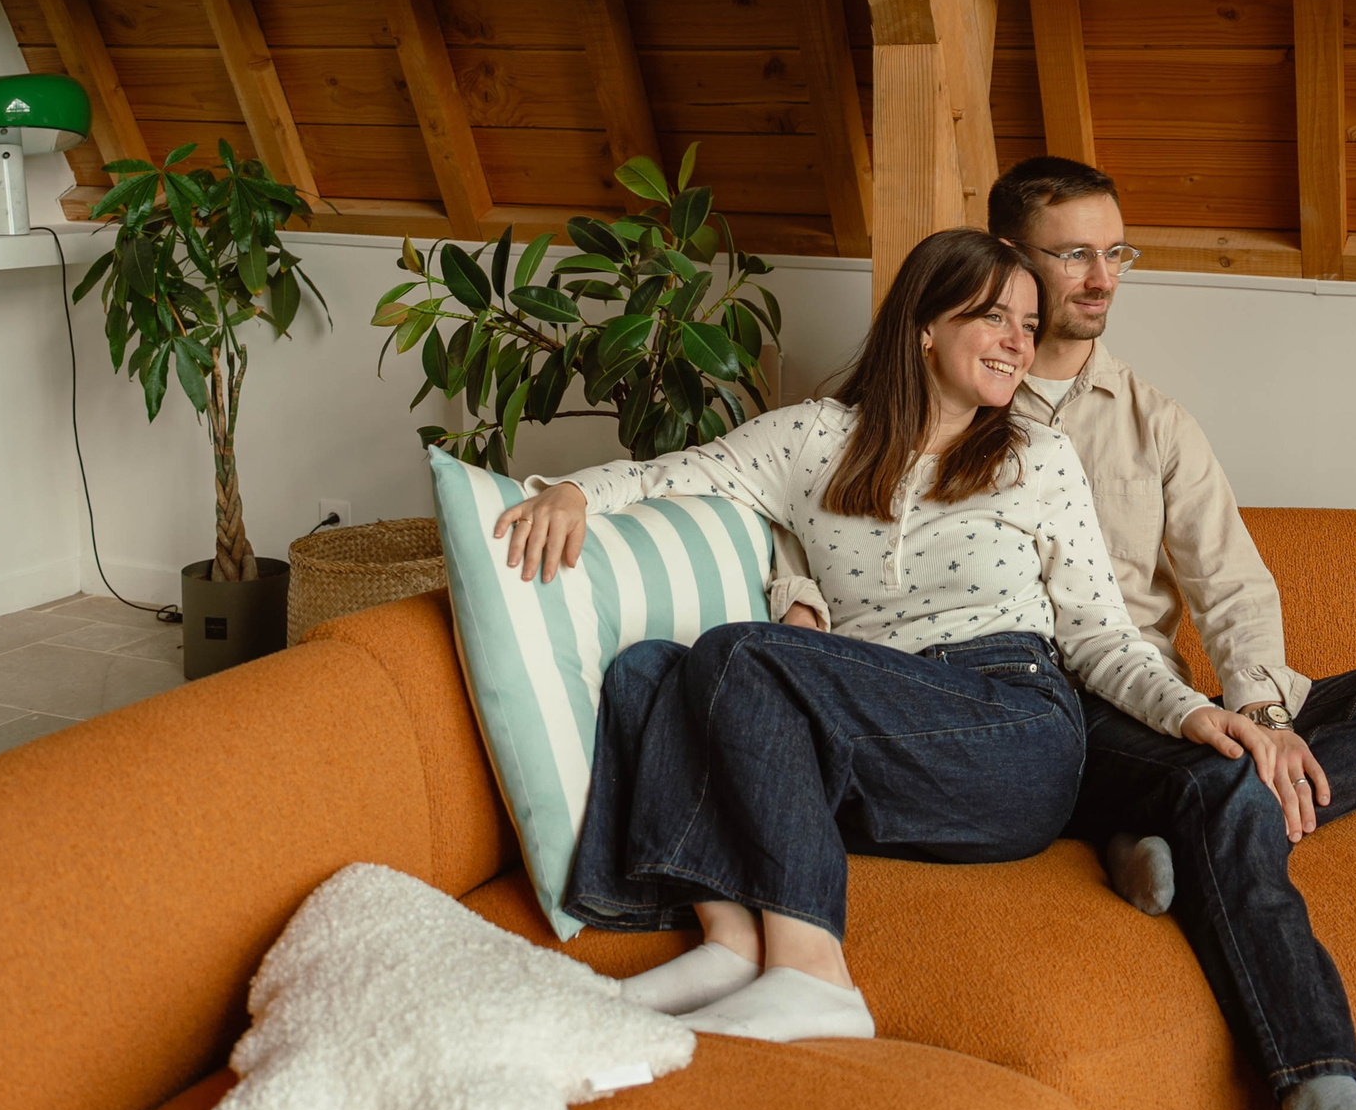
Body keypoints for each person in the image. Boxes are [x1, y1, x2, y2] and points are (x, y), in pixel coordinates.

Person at [490, 228, 1218, 1048]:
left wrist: (1191, 713)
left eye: (1028, 321)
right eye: (996, 317)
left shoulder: (1037, 456)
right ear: (925, 326)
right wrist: (570, 494)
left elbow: (1099, 636)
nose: (1021, 340)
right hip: (869, 738)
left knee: (736, 652)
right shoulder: (814, 439)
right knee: (649, 670)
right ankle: (729, 944)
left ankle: (813, 978)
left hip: (1011, 728)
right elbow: (673, 473)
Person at [974, 155, 1356, 1110]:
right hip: (1048, 703)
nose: (1101, 276)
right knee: (1217, 787)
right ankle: (1327, 1103)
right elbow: (826, 507)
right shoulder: (949, 391)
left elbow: (1230, 587)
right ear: (1011, 265)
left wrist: (1264, 721)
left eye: (1115, 250)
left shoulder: (1154, 421)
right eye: (1072, 252)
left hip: (1168, 703)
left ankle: (1174, 817)